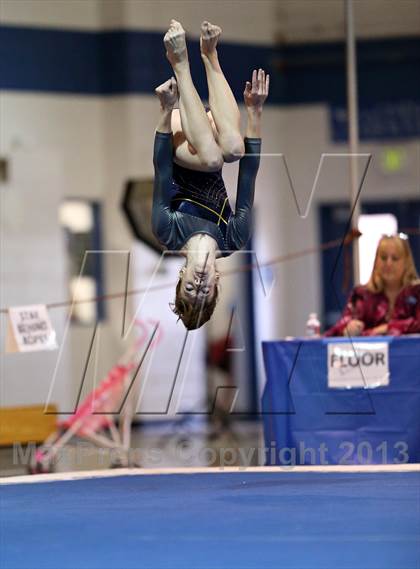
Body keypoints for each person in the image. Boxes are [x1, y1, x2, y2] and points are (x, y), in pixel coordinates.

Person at [152, 20, 269, 330]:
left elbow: (162, 169)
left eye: (191, 288)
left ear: (181, 277)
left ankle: (180, 64)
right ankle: (209, 54)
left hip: (179, 134)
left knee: (214, 159)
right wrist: (255, 112)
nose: (199, 284)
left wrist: (165, 110)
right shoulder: (234, 239)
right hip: (208, 135)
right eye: (205, 291)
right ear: (217, 284)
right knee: (233, 148)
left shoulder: (168, 232)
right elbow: (248, 177)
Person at [325, 234, 420, 337]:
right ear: (376, 261)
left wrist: (388, 328)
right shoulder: (362, 294)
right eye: (383, 258)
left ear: (407, 262)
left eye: (395, 258)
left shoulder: (417, 292)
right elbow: (336, 330)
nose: (388, 263)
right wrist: (347, 330)